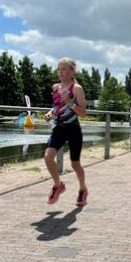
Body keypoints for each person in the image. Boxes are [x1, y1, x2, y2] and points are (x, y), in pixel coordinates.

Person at [43, 57, 88, 207]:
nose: (61, 72)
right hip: (59, 128)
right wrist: (50, 114)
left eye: (64, 69)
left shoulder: (76, 88)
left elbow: (83, 113)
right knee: (48, 157)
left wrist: (70, 103)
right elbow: (57, 107)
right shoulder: (55, 87)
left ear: (72, 71)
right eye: (59, 69)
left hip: (73, 129)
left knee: (75, 164)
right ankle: (58, 185)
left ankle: (82, 190)